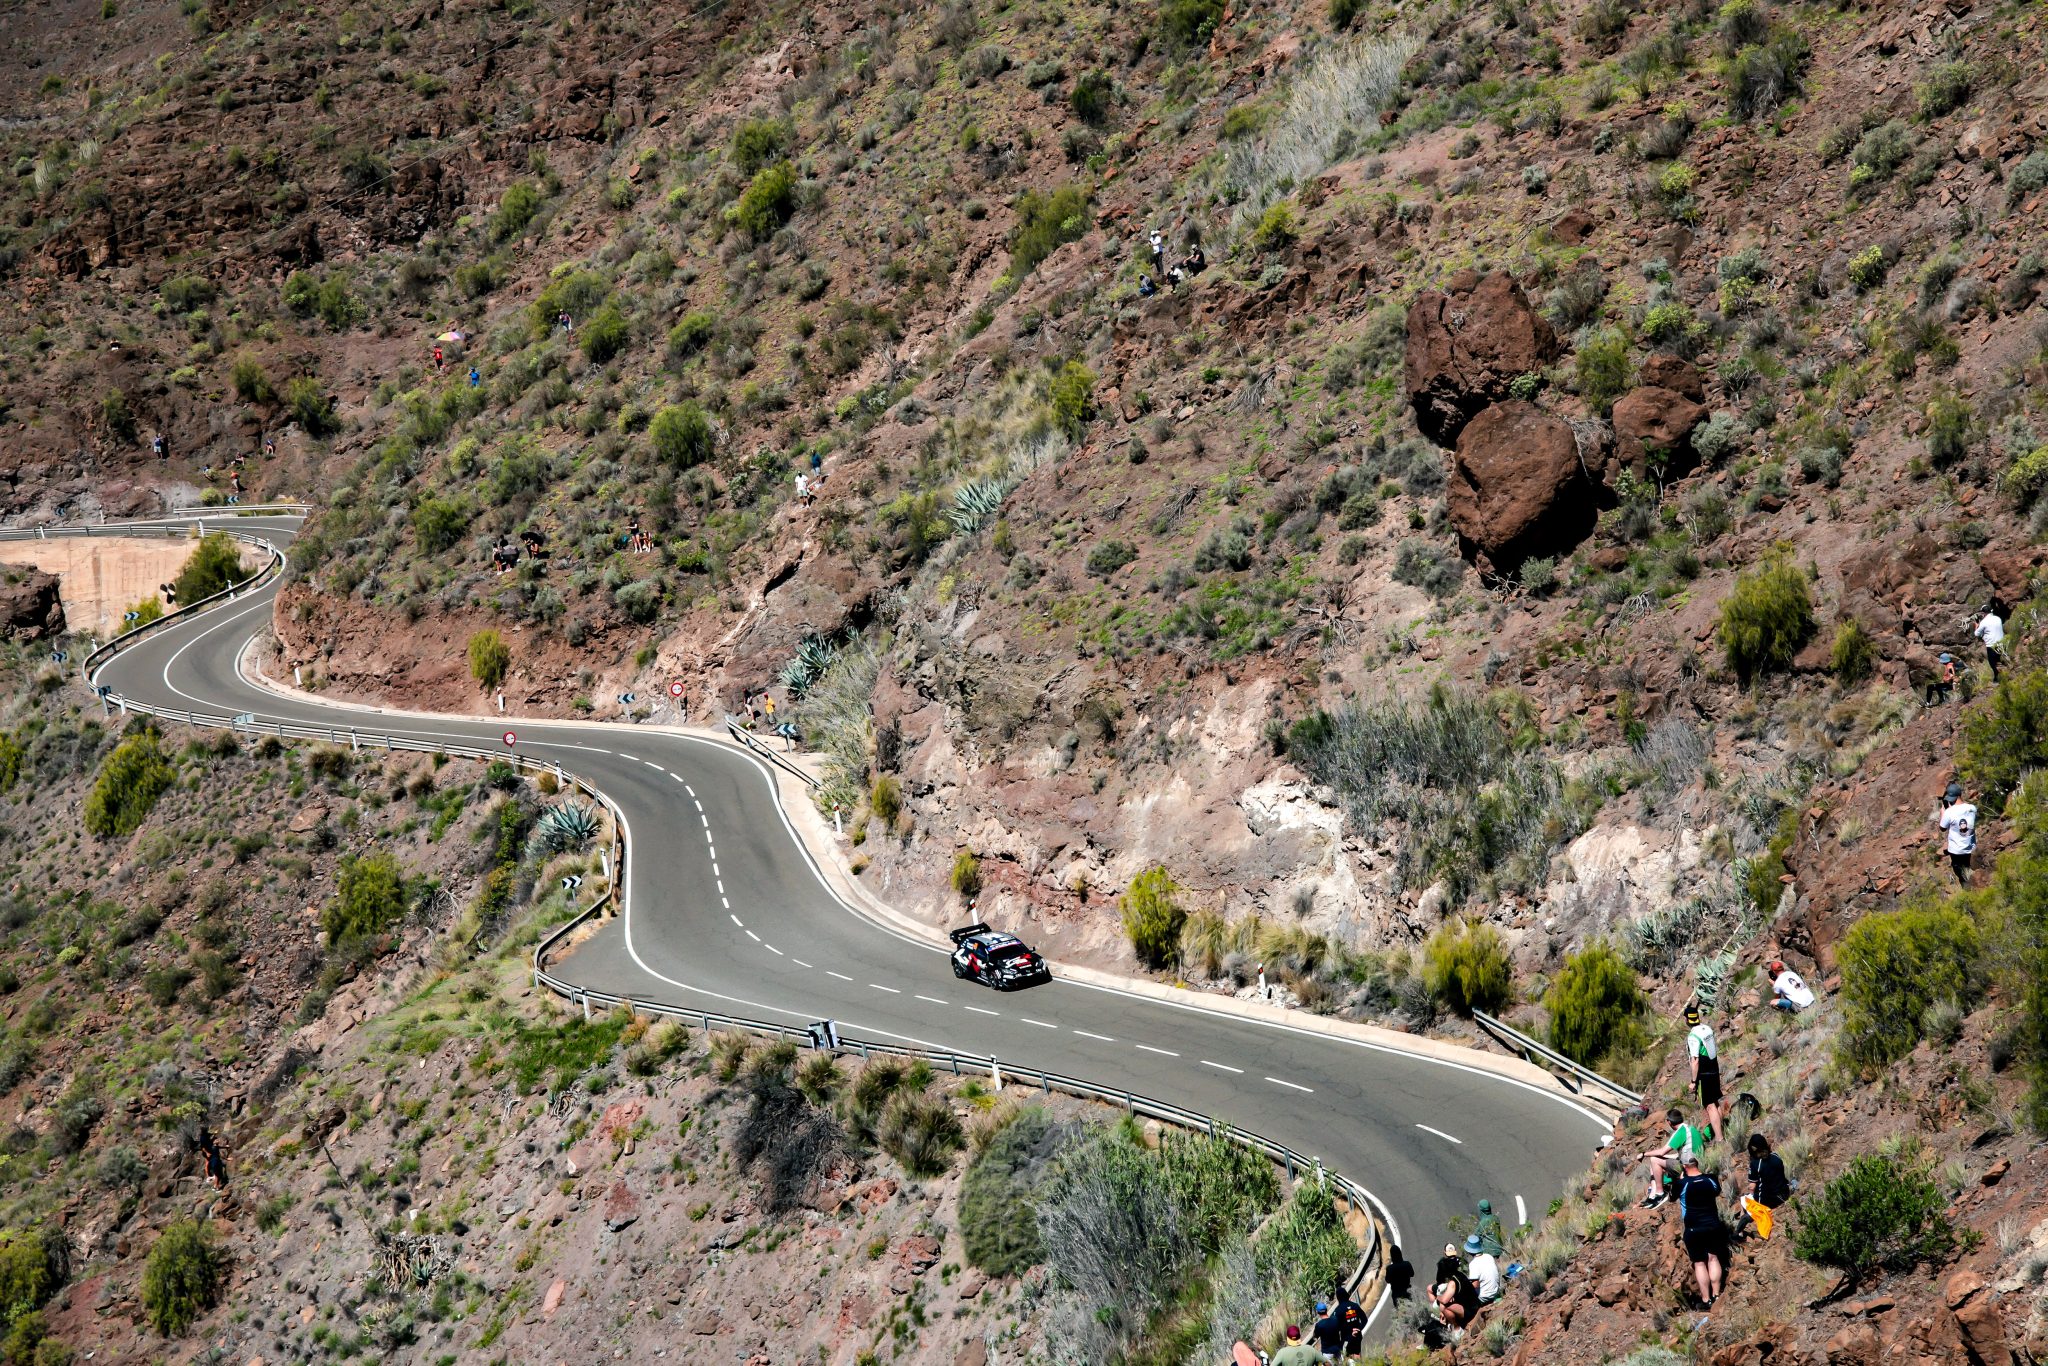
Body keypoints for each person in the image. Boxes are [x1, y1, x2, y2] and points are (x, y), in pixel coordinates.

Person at [1675, 1154, 1727, 1309]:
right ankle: (1716, 1295)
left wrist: (1681, 1179)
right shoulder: (1711, 1179)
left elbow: (1672, 1197)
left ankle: (1706, 1299)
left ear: (1684, 1166)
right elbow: (1717, 1191)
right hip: (1713, 1225)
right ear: (1697, 1162)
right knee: (1713, 1259)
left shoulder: (1682, 1183)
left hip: (1693, 1228)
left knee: (1699, 1263)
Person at [1639, 1108, 1708, 1208]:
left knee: (1654, 1160)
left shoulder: (1681, 1131)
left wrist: (1643, 1154)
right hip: (1696, 1163)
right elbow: (1680, 1155)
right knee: (1656, 1158)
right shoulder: (1690, 1128)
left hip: (1688, 1167)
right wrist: (1662, 1156)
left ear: (1669, 1122)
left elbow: (1662, 1151)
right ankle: (1652, 1196)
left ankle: (1660, 1194)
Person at [1685, 1003, 1723, 1141]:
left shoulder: (1693, 1036)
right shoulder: (1707, 1028)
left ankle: (1719, 1138)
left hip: (1704, 1073)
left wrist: (1693, 1082)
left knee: (1710, 1106)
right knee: (1716, 1102)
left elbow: (1695, 1061)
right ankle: (1722, 1130)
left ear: (1686, 1019)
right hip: (1714, 1068)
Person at [1938, 781, 1978, 886]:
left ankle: (1967, 890)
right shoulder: (1972, 808)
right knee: (1971, 871)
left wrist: (1942, 814)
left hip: (1956, 851)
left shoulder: (1949, 813)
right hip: (1970, 848)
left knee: (1962, 876)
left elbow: (1942, 828)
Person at [1464, 1234, 1501, 1304]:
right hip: (1496, 1292)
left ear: (1469, 1251)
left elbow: (1475, 1284)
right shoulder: (1489, 1256)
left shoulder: (1473, 1264)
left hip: (1484, 1297)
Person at [1976, 606, 2005, 679]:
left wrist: (1977, 626)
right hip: (2001, 642)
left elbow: (1977, 634)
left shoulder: (1984, 621)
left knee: (1992, 662)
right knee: (2000, 661)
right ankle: (2003, 676)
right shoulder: (1998, 618)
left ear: (1984, 613)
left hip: (1991, 645)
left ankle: (1997, 677)